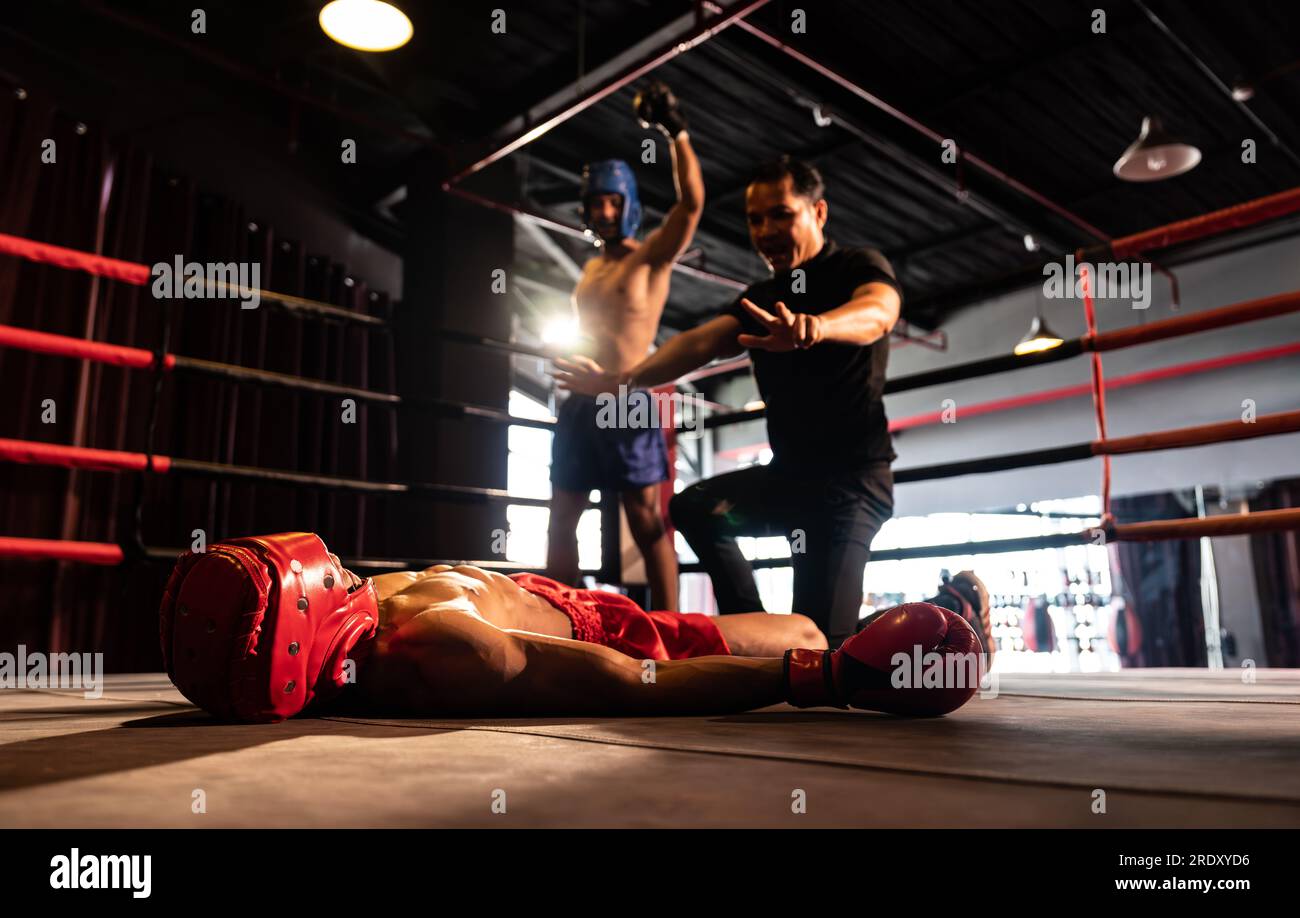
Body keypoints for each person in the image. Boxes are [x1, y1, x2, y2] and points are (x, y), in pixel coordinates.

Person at [558, 155, 972, 650]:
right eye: (755, 219)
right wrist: (623, 379)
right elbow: (698, 344)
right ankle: (751, 636)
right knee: (695, 509)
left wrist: (818, 327)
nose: (766, 231)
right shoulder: (760, 298)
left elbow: (879, 313)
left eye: (781, 215)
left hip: (851, 486)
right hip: (788, 481)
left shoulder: (855, 267)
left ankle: (953, 611)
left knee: (823, 648)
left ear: (818, 213)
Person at [158, 533, 987, 722]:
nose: (324, 560)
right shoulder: (443, 647)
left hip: (547, 591)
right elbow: (636, 684)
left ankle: (907, 612)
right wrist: (823, 681)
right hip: (613, 632)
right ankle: (915, 623)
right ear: (305, 619)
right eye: (309, 574)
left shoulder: (357, 614)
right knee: (806, 633)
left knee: (806, 621)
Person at [546, 80, 704, 612]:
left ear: (628, 203)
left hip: (628, 398)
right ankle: (569, 618)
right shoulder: (589, 268)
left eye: (613, 202)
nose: (605, 212)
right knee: (561, 513)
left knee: (645, 519)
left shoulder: (650, 258)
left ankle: (669, 625)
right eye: (596, 203)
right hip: (578, 403)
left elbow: (692, 204)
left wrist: (674, 130)